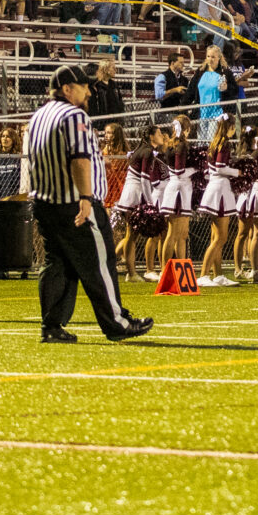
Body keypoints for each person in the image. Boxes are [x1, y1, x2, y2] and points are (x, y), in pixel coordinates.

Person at [25, 64, 154, 343]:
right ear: (67, 89)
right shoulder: (73, 115)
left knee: (57, 264)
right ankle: (117, 323)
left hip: (44, 201)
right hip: (75, 202)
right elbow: (79, 158)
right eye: (84, 87)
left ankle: (51, 325)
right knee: (101, 262)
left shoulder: (37, 116)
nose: (89, 93)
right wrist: (85, 197)